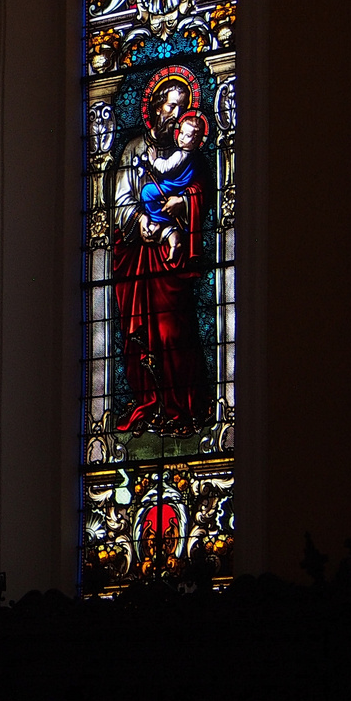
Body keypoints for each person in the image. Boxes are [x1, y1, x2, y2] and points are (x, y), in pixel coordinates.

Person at [107, 71, 212, 435]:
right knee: (138, 337)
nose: (176, 114)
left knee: (172, 332)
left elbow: (203, 191)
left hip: (170, 263)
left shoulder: (191, 156)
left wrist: (184, 202)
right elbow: (120, 199)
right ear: (154, 107)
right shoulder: (134, 150)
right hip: (138, 255)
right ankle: (149, 405)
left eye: (182, 109)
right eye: (171, 106)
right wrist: (139, 223)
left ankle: (183, 409)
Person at [136, 108, 207, 264]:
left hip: (172, 187)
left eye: (186, 135)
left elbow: (165, 168)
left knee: (147, 191)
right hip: (177, 189)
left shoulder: (180, 154)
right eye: (180, 133)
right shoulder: (193, 157)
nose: (181, 138)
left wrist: (153, 160)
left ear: (195, 140)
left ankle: (157, 219)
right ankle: (170, 232)